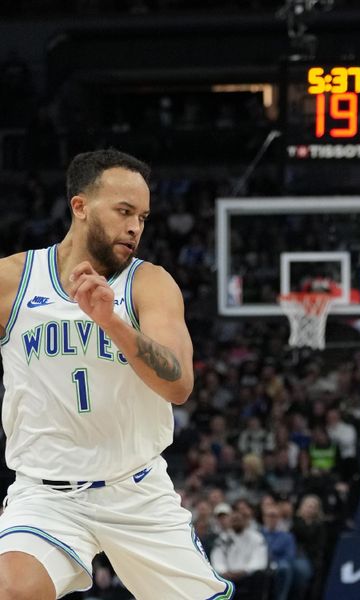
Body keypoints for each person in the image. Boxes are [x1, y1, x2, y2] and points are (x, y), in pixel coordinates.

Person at [0, 149, 233, 599]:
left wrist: (112, 322)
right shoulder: (14, 280)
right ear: (80, 206)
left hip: (136, 491)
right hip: (46, 495)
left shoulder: (149, 283)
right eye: (124, 211)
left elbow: (179, 384)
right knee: (13, 589)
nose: (135, 227)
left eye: (142, 216)